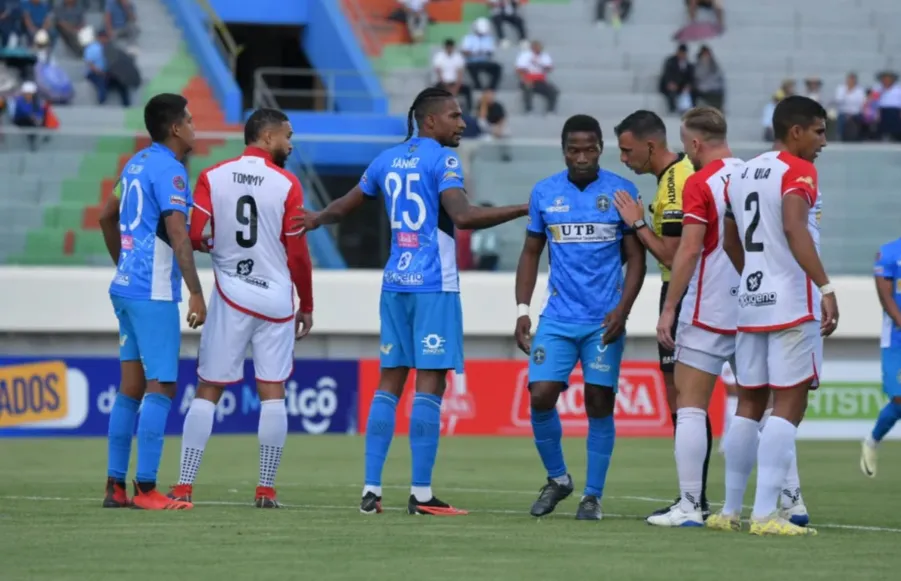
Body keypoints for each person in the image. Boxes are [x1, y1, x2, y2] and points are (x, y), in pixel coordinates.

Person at [301, 87, 528, 515]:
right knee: (430, 384)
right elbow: (463, 216)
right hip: (433, 285)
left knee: (389, 381)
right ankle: (421, 495)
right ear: (430, 121)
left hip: (395, 283)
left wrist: (317, 218)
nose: (462, 123)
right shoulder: (442, 160)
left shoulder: (386, 160)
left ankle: (371, 490)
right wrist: (523, 208)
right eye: (454, 116)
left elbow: (345, 206)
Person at [166, 109, 315, 509]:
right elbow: (298, 254)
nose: (290, 144)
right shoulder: (287, 183)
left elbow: (195, 233)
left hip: (232, 296)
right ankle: (265, 489)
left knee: (209, 389)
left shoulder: (212, 176)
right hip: (276, 300)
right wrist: (307, 303)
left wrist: (217, 247)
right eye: (286, 136)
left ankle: (183, 486)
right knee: (273, 392)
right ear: (267, 138)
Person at [707, 95, 836, 537]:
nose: (823, 141)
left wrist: (754, 276)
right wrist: (826, 286)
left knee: (749, 405)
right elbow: (794, 228)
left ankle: (729, 511)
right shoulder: (798, 170)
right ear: (795, 131)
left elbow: (729, 240)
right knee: (789, 405)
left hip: (751, 300)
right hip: (792, 301)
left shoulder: (741, 173)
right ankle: (765, 515)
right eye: (818, 131)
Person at [514, 114, 646, 520]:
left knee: (598, 401)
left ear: (601, 149)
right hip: (557, 317)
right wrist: (522, 309)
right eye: (575, 150)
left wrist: (623, 310)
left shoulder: (622, 192)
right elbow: (531, 252)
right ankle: (558, 479)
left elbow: (637, 258)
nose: (583, 157)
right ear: (564, 151)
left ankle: (592, 495)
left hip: (603, 321)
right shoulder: (545, 192)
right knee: (540, 395)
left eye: (590, 149)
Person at [96, 93, 206, 510]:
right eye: (190, 121)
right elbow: (178, 235)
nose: (194, 127)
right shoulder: (171, 171)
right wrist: (196, 292)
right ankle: (146, 489)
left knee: (131, 387)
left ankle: (115, 487)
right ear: (175, 128)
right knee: (162, 384)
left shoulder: (136, 163)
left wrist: (124, 264)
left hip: (126, 287)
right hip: (153, 291)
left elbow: (106, 215)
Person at [611, 109, 711, 519]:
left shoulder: (674, 183)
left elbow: (671, 254)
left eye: (627, 150)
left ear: (650, 146)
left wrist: (637, 224)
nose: (623, 159)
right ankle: (694, 497)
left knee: (686, 399)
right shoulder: (678, 174)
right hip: (688, 290)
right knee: (683, 398)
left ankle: (694, 500)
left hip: (684, 292)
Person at [647, 106, 742, 527]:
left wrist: (670, 307)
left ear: (696, 143)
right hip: (754, 307)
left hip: (709, 309)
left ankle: (689, 507)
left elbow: (687, 250)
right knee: (759, 408)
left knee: (690, 405)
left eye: (686, 146)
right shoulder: (755, 174)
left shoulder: (700, 182)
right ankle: (783, 503)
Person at [860, 236, 901, 478]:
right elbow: (885, 296)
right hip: (895, 340)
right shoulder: (888, 252)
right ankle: (872, 441)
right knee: (899, 399)